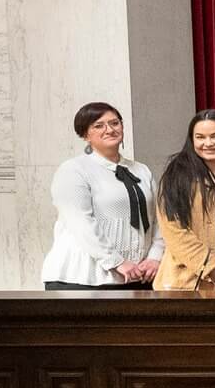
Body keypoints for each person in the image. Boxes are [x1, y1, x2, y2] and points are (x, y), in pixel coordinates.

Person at [41, 101, 163, 290]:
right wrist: (116, 261)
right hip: (83, 279)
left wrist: (154, 257)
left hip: (137, 276)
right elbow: (81, 223)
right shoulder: (73, 170)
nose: (109, 129)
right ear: (85, 135)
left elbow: (159, 219)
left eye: (115, 123)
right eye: (98, 125)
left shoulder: (141, 170)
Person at [153, 110, 215, 292]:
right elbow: (173, 230)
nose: (208, 143)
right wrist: (211, 267)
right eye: (200, 137)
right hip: (185, 282)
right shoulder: (177, 175)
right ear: (192, 141)